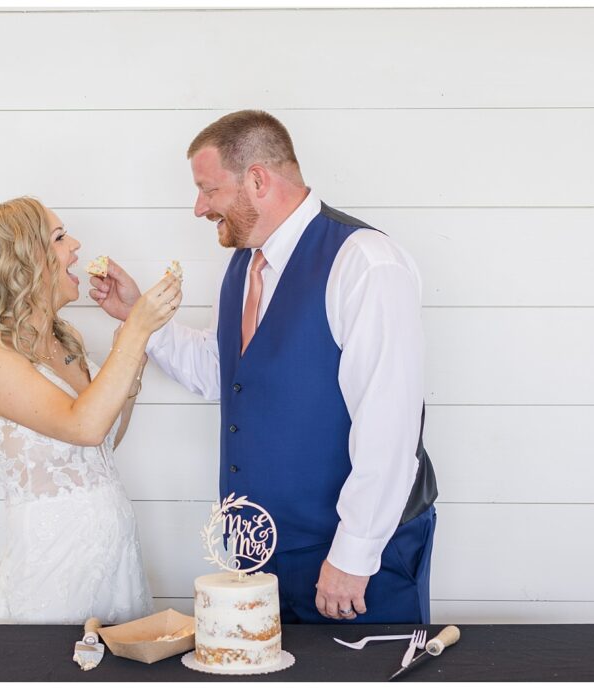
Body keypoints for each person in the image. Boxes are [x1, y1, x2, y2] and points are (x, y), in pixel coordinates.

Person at [90, 111, 438, 624]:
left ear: (256, 179)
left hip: (355, 562)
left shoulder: (364, 262)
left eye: (208, 190)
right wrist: (141, 316)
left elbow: (390, 424)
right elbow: (225, 374)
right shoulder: (244, 265)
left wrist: (353, 554)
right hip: (259, 560)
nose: (198, 207)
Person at [0, 196, 182, 624]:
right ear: (21, 260)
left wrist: (132, 363)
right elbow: (86, 426)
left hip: (115, 560)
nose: (75, 245)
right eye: (58, 238)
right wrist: (136, 328)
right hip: (51, 565)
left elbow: (105, 438)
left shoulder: (65, 338)